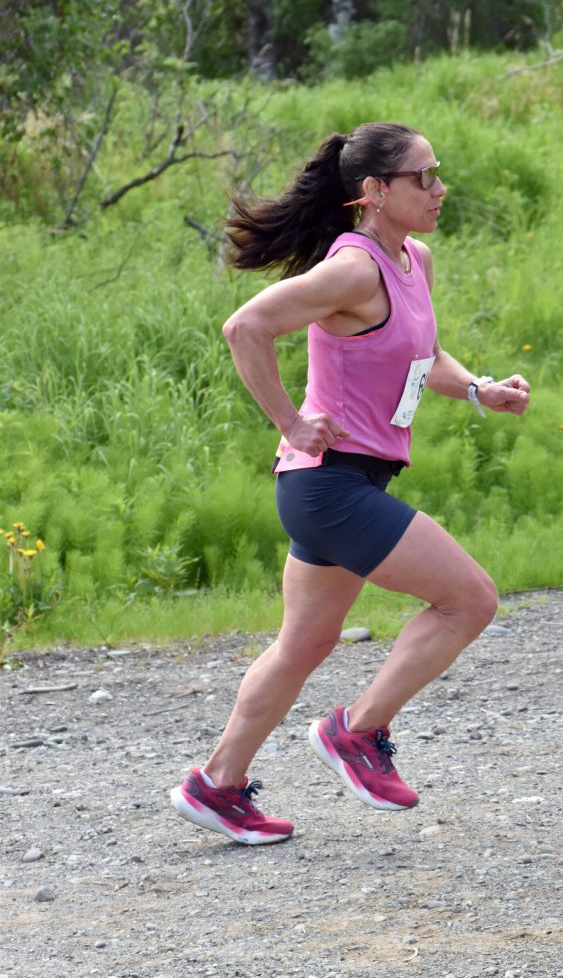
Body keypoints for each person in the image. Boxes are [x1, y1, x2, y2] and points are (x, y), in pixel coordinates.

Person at [169, 121, 530, 845]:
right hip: (330, 487)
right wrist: (291, 420)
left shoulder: (413, 259)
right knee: (470, 599)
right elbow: (246, 328)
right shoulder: (354, 270)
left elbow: (422, 352)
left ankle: (217, 784)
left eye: (437, 172)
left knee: (303, 644)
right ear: (374, 191)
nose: (439, 188)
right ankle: (356, 731)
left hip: (340, 483)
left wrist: (478, 389)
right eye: (423, 177)